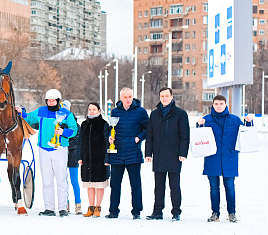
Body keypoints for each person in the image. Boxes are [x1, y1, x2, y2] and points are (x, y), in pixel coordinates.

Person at [15, 89, 78, 217]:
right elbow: (29, 117)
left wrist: (63, 132)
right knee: (47, 180)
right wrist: (21, 112)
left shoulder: (66, 113)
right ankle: (49, 208)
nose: (50, 102)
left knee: (61, 179)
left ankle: (62, 208)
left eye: (53, 100)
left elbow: (74, 129)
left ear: (58, 100)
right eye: (48, 100)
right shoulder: (41, 110)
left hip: (59, 149)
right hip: (43, 149)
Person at [197, 94, 253, 223]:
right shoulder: (206, 119)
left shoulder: (234, 119)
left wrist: (249, 123)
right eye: (216, 104)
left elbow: (245, 134)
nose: (218, 106)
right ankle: (215, 214)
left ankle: (232, 213)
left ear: (225, 105)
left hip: (229, 158)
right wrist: (200, 125)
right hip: (212, 158)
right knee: (214, 188)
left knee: (230, 187)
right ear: (213, 105)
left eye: (221, 104)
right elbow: (199, 137)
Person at [145, 87, 190, 221]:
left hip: (174, 155)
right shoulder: (154, 114)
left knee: (174, 185)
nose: (164, 98)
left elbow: (185, 135)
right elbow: (150, 135)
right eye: (162, 96)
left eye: (167, 96)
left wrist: (183, 152)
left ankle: (176, 212)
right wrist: (148, 153)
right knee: (158, 186)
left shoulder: (180, 114)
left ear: (171, 97)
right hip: (158, 154)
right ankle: (157, 211)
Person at [106, 87, 149, 220]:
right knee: (115, 184)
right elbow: (110, 129)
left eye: (129, 96)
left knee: (135, 184)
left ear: (133, 97)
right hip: (117, 153)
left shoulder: (141, 112)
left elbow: (148, 129)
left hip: (133, 153)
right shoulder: (114, 112)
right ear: (120, 98)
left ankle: (136, 211)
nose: (127, 99)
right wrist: (110, 137)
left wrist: (138, 138)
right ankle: (113, 211)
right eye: (125, 97)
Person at [79, 102, 110, 218]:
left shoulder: (104, 124)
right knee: (89, 184)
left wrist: (107, 158)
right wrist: (79, 156)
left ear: (98, 111)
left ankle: (98, 207)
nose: (91, 111)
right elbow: (80, 141)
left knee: (99, 185)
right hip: (87, 159)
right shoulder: (84, 124)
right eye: (90, 109)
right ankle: (90, 207)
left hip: (100, 159)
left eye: (94, 109)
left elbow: (107, 142)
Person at [62, 100, 82, 215]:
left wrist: (67, 139)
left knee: (74, 181)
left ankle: (78, 204)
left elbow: (77, 139)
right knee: (63, 180)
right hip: (61, 154)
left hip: (73, 155)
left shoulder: (76, 124)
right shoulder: (58, 122)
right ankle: (66, 203)